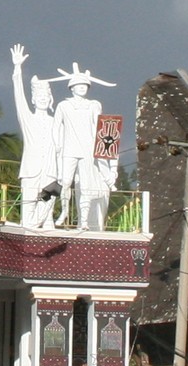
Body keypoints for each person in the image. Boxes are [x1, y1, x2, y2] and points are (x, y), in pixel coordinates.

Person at [53, 62, 119, 228]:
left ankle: (83, 221)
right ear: (72, 87)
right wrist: (57, 146)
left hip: (88, 150)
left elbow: (103, 128)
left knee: (87, 185)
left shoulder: (93, 105)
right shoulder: (64, 105)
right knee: (66, 182)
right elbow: (55, 128)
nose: (82, 87)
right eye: (78, 85)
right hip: (69, 149)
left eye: (85, 85)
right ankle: (64, 211)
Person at [9, 44, 64, 229]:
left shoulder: (56, 121)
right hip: (31, 170)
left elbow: (62, 145)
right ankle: (29, 225)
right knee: (29, 206)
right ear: (33, 99)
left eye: (45, 95)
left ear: (50, 100)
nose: (42, 98)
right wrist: (17, 68)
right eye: (39, 95)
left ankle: (47, 223)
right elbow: (18, 96)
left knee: (47, 206)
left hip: (50, 170)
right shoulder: (28, 119)